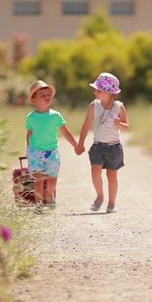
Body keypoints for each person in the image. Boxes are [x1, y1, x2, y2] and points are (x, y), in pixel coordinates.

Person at [75, 72, 130, 213]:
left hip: (114, 147)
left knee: (111, 175)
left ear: (109, 93)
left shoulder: (119, 107)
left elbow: (127, 128)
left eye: (98, 90)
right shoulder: (94, 106)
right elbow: (86, 125)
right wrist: (80, 143)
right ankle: (100, 196)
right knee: (95, 172)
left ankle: (112, 203)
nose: (95, 92)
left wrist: (119, 124)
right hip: (98, 146)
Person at [26, 80, 78, 213]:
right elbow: (29, 134)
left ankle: (49, 194)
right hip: (35, 152)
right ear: (34, 100)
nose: (47, 97)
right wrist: (28, 151)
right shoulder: (31, 117)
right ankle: (39, 205)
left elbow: (66, 132)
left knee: (52, 178)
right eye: (42, 95)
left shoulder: (55, 116)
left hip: (52, 152)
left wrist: (76, 145)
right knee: (38, 180)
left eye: (48, 94)